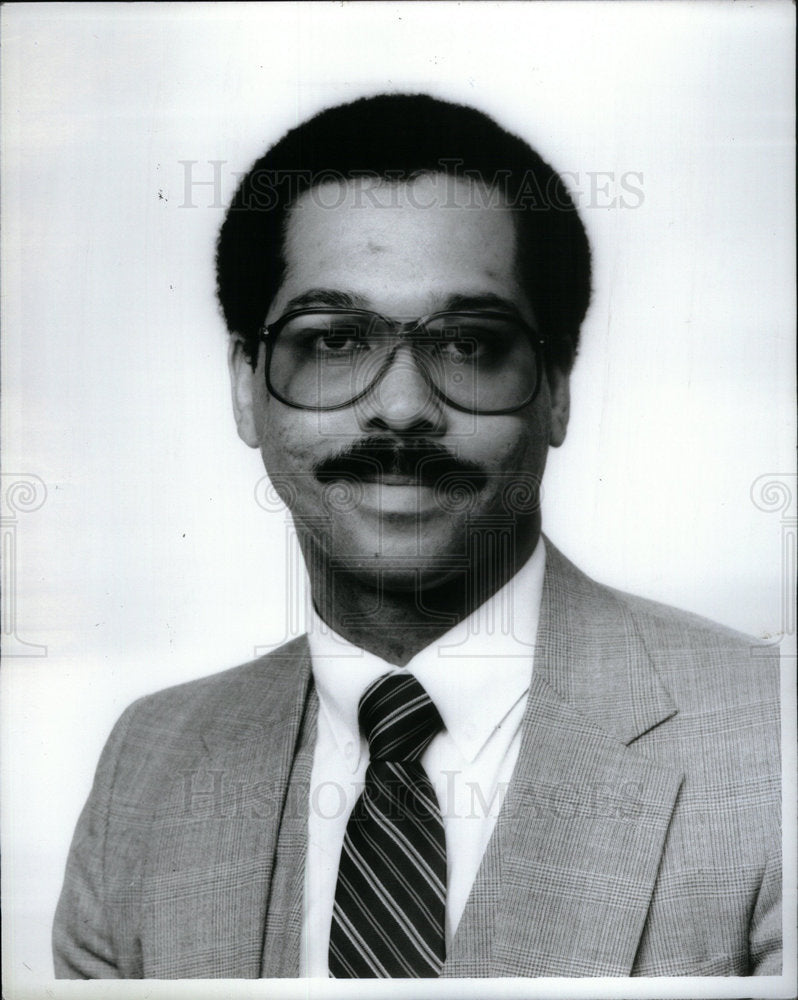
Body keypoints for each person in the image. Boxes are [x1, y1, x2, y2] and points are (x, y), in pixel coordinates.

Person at [53, 93, 781, 979]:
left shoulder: (771, 746)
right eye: (333, 342)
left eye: (469, 345)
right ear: (246, 386)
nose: (401, 407)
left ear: (556, 388)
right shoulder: (149, 763)